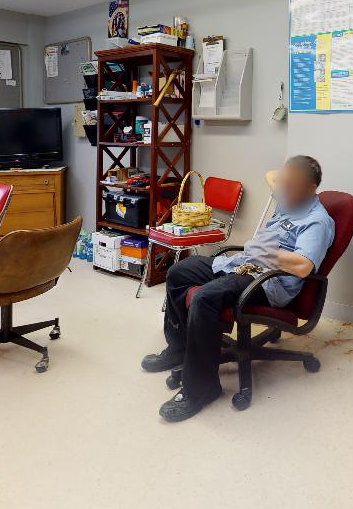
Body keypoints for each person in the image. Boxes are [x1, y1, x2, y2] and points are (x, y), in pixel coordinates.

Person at [141, 155, 335, 422]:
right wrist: (290, 176)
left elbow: (303, 266)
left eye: (291, 185)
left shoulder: (317, 221)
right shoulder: (290, 195)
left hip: (270, 280)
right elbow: (270, 174)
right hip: (242, 263)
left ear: (311, 189)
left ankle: (201, 389)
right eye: (285, 183)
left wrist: (268, 253)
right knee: (178, 272)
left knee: (206, 298)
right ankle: (178, 348)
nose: (283, 190)